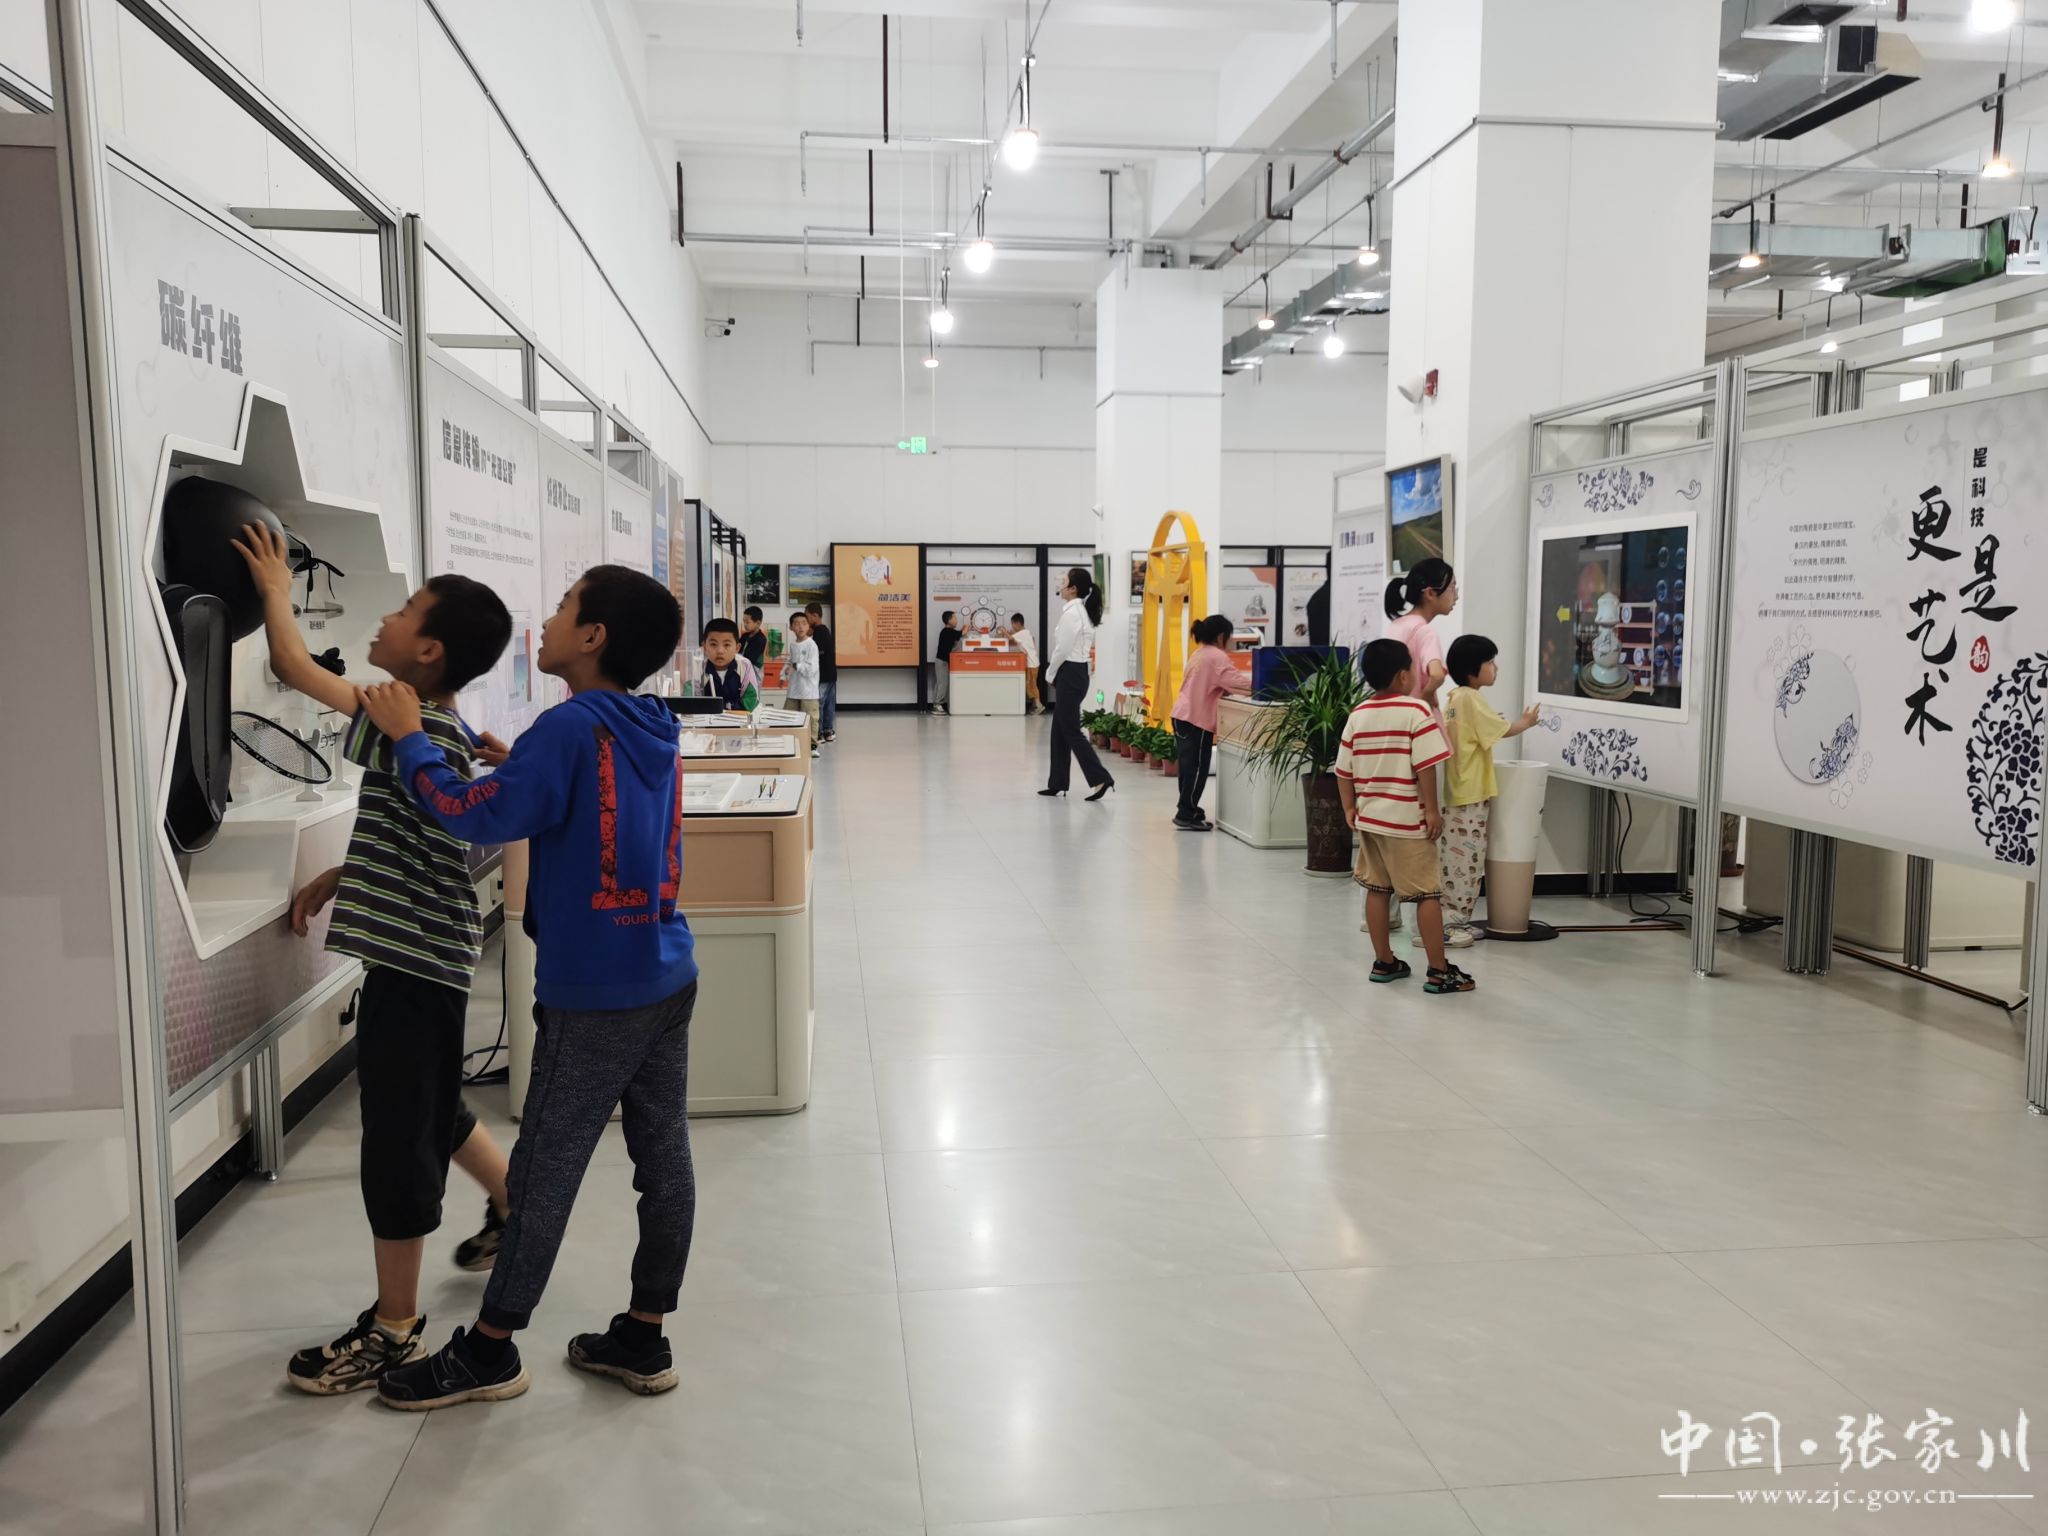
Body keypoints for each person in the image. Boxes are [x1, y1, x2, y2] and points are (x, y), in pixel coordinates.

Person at [358, 564, 698, 1410]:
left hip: (595, 993)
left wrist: (408, 736)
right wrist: (521, 767)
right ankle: (644, 1333)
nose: (544, 624)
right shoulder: (649, 721)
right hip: (665, 971)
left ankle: (490, 1349)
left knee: (543, 1171)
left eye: (561, 609)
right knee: (664, 1159)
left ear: (593, 637)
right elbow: (593, 806)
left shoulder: (567, 726)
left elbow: (467, 813)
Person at [229, 523, 515, 1396]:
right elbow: (417, 832)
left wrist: (276, 588)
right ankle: (516, 1203)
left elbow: (292, 667)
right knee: (428, 1108)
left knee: (397, 1141)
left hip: (417, 967)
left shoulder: (406, 716)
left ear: (427, 651)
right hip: (423, 961)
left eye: (404, 610)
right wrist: (345, 874)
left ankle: (395, 1330)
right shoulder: (430, 723)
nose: (385, 617)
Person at [1336, 638, 1474, 996]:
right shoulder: (1416, 711)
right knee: (1427, 893)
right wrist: (1431, 810)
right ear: (1402, 676)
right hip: (1407, 821)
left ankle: (1384, 961)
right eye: (1413, 668)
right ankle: (1439, 971)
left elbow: (1343, 770)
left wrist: (1349, 807)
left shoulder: (1358, 715)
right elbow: (1426, 765)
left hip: (1370, 820)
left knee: (1376, 888)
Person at [1441, 634, 1542, 947]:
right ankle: (1451, 924)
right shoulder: (1470, 699)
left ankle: (1452, 920)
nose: (1496, 668)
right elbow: (1501, 729)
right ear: (1473, 669)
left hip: (1458, 791)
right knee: (1465, 863)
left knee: (1454, 862)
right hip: (1470, 794)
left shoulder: (1455, 697)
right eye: (1490, 662)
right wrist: (1525, 722)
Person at [1041, 567, 1115, 801]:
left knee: (1071, 729)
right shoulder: (1079, 611)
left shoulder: (1072, 614)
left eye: (1064, 581)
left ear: (1073, 589)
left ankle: (1101, 777)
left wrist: (1049, 673)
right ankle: (1057, 782)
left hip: (1070, 672)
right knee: (1059, 729)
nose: (1060, 584)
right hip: (1076, 672)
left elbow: (1062, 649)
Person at [1169, 614, 1249, 830]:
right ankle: (1186, 813)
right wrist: (1265, 683)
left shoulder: (1199, 653)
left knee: (1188, 767)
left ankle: (1189, 808)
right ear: (1221, 636)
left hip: (1182, 715)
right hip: (1197, 719)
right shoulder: (1217, 657)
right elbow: (1238, 683)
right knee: (1196, 768)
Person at [1383, 558, 1458, 713]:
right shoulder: (1425, 631)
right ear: (1430, 593)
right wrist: (1425, 697)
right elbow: (1437, 675)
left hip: (1396, 714)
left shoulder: (1395, 625)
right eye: (1452, 587)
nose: (1456, 596)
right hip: (1419, 719)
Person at [697, 616, 761, 710]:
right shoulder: (697, 667)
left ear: (737, 648)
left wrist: (726, 709)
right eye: (713, 644)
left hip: (738, 718)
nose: (720, 651)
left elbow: (751, 700)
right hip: (706, 718)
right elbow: (690, 699)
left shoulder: (744, 665)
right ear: (705, 647)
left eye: (726, 645)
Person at [785, 609, 822, 754]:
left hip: (808, 690)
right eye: (796, 624)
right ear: (791, 627)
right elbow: (790, 662)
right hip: (794, 688)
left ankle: (812, 746)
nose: (800, 626)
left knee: (811, 718)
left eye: (804, 623)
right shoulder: (793, 644)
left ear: (808, 626)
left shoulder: (811, 645)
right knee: (789, 716)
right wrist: (783, 674)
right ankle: (792, 742)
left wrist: (796, 666)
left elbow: (812, 669)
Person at [804, 602, 836, 743]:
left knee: (819, 704)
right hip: (831, 674)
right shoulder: (824, 630)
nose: (806, 620)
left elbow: (819, 652)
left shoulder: (819, 631)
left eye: (807, 617)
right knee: (829, 704)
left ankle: (819, 732)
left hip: (822, 675)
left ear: (815, 616)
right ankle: (828, 730)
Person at [1008, 612, 1043, 713]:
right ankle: (1035, 705)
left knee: (1032, 685)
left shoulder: (1023, 633)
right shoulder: (1024, 632)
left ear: (1017, 623)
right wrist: (1009, 633)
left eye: (1012, 624)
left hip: (1032, 664)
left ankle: (1039, 706)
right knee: (1029, 685)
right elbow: (1013, 636)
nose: (1012, 627)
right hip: (1031, 663)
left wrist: (1004, 631)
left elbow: (1010, 638)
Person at [932, 610, 963, 714]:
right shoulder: (947, 631)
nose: (956, 620)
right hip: (942, 661)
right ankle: (938, 705)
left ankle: (936, 704)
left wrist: (963, 630)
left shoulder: (948, 632)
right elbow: (960, 634)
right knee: (943, 683)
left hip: (941, 661)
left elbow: (958, 634)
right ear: (949, 620)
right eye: (955, 618)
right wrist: (966, 628)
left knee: (940, 683)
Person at [738, 606, 768, 670]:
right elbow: (738, 649)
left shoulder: (760, 639)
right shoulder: (744, 636)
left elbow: (751, 659)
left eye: (747, 622)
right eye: (744, 622)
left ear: (758, 623)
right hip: (742, 667)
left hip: (754, 670)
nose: (745, 624)